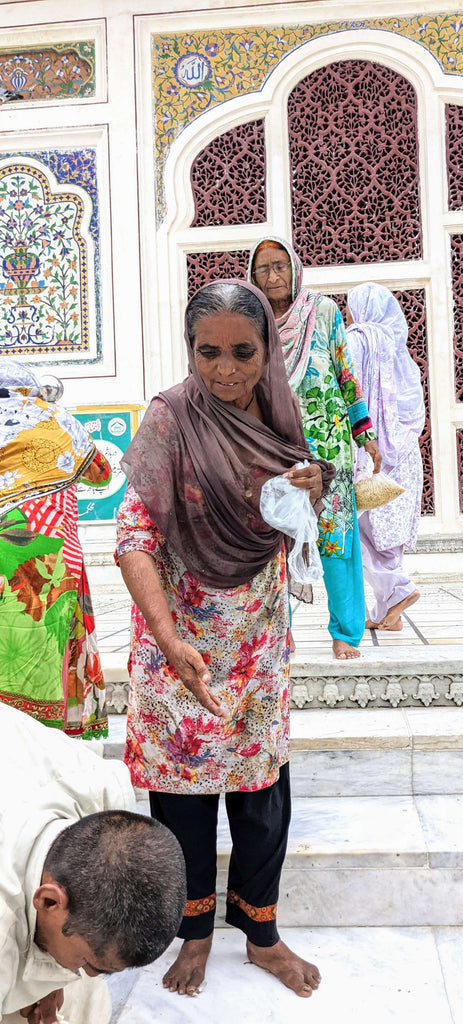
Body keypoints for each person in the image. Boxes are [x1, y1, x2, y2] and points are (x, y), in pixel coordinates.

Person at [116, 280, 333, 1000]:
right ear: (190, 350)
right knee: (182, 804)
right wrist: (170, 638)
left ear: (268, 350)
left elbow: (303, 513)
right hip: (180, 646)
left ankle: (262, 934)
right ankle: (196, 934)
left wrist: (316, 485)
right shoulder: (170, 419)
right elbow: (134, 531)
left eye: (243, 352)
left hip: (256, 646)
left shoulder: (279, 414)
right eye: (208, 352)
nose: (226, 370)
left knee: (262, 798)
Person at [0, 700, 186, 1024]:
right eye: (86, 963)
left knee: (82, 996)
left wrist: (49, 982)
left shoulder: (94, 787)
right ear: (48, 899)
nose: (82, 973)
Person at [247, 237, 382, 660]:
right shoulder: (252, 320)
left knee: (336, 541)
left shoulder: (322, 313)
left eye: (279, 266)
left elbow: (345, 373)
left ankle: (345, 631)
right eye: (263, 268)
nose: (272, 276)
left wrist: (365, 433)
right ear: (252, 277)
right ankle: (276, 633)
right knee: (277, 543)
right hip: (276, 448)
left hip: (329, 449)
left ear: (295, 268)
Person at [0, 359, 111, 737]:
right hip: (52, 565)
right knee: (44, 656)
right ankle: (44, 749)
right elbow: (102, 475)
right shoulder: (58, 421)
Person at [345, 282, 425, 630]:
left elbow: (348, 388)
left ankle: (398, 590)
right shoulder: (395, 344)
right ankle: (387, 613)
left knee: (354, 528)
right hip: (405, 449)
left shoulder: (355, 339)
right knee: (385, 534)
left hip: (372, 447)